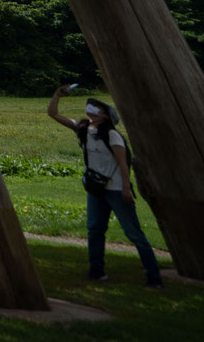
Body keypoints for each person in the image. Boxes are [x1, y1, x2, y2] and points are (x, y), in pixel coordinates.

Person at [48, 84, 163, 286]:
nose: (91, 109)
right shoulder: (84, 129)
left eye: (97, 108)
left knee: (133, 233)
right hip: (96, 190)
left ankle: (154, 276)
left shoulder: (112, 135)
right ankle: (96, 271)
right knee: (94, 229)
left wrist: (126, 188)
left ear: (106, 116)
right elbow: (53, 114)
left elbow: (123, 163)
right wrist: (58, 94)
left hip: (117, 190)